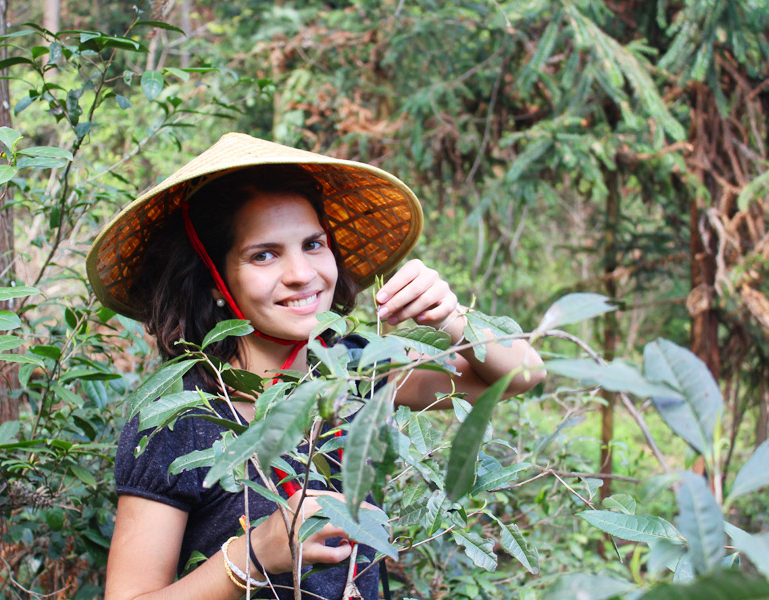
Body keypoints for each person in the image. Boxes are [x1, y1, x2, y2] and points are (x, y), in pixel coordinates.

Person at [86, 133, 546, 600]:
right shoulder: (180, 419)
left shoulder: (356, 366)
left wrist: (452, 318)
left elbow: (522, 375)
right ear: (214, 280)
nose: (302, 274)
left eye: (313, 244)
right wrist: (254, 555)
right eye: (263, 254)